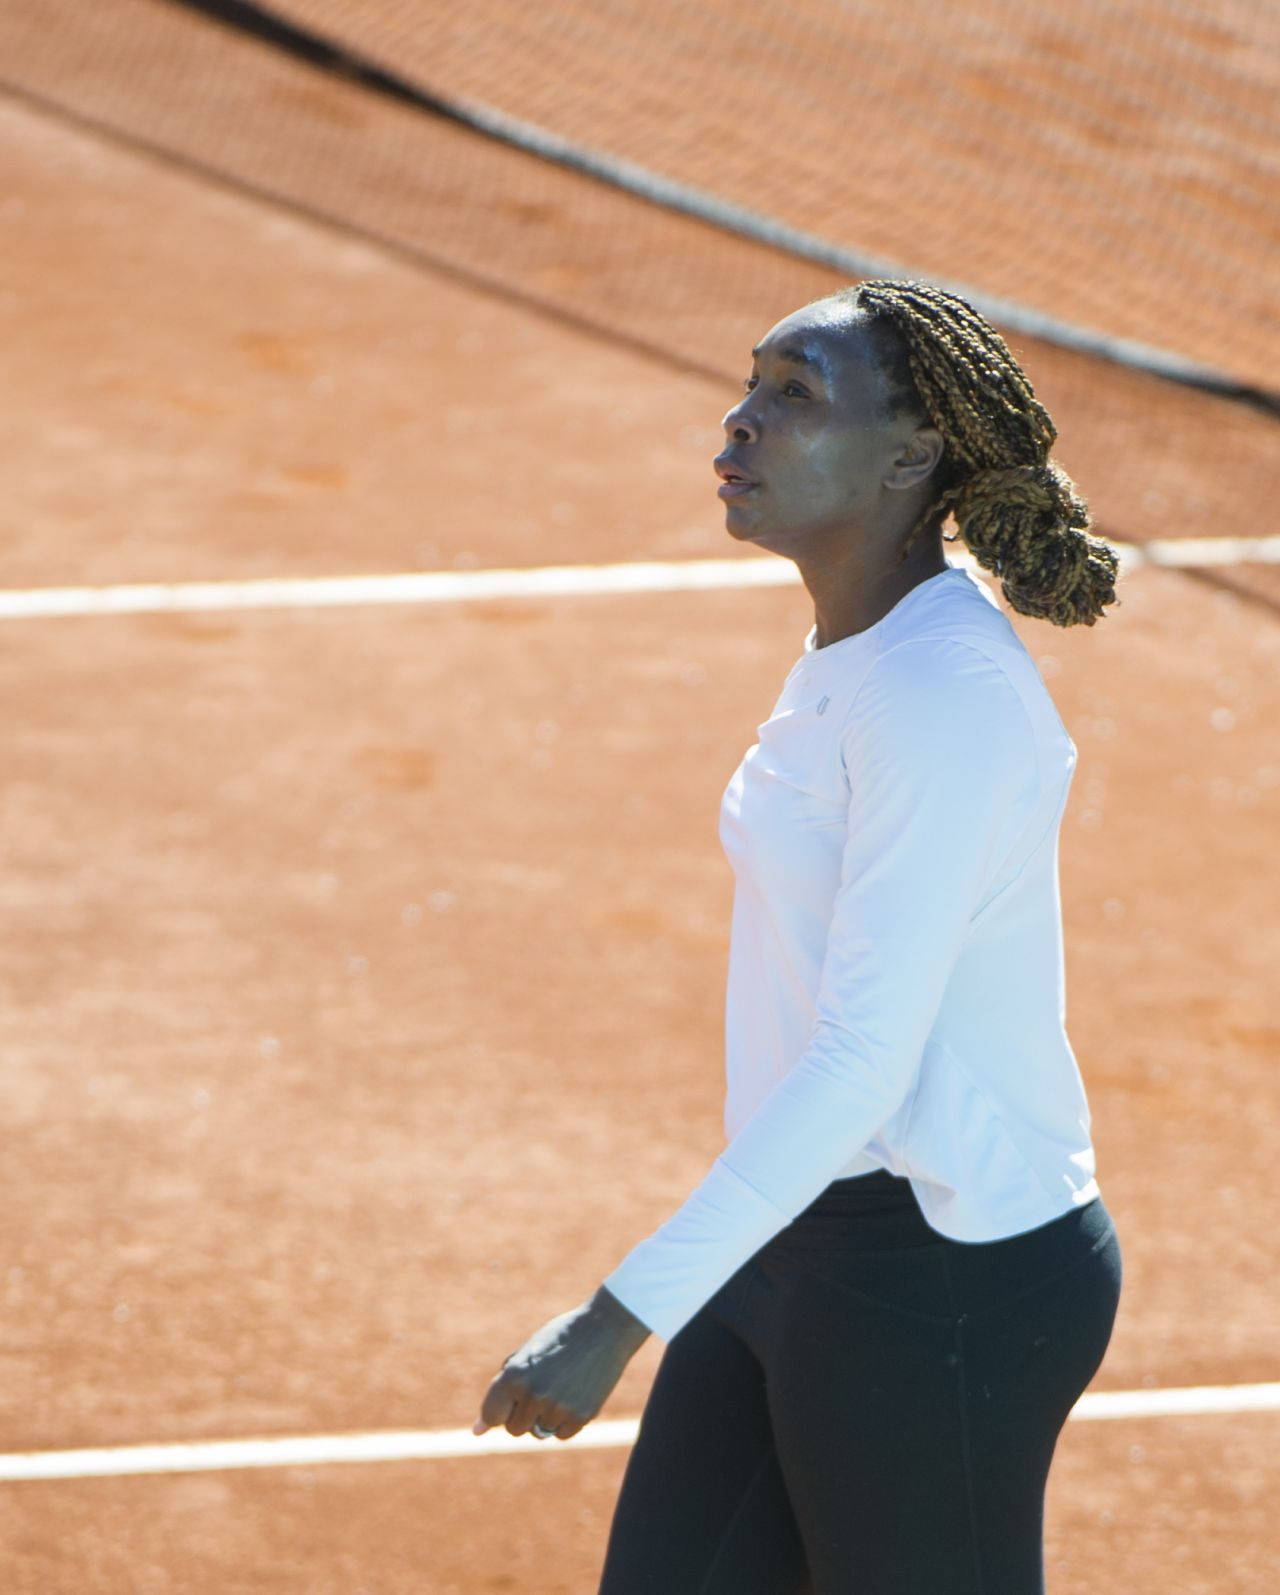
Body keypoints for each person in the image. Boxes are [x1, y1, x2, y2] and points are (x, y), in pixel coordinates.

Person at [473, 278, 1125, 1594]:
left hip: (948, 1276)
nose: (737, 423)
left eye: (793, 397)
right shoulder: (858, 646)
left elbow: (865, 1058)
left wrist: (620, 1316)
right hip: (804, 1235)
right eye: (751, 383)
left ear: (908, 456)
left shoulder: (943, 694)